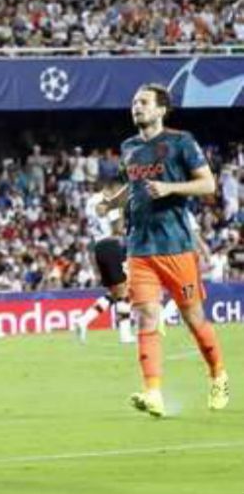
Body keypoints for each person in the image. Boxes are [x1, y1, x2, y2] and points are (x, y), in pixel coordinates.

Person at [100, 84, 228, 417]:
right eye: (133, 102)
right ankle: (153, 392)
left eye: (143, 102)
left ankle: (218, 375)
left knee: (193, 318)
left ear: (161, 110)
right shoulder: (129, 147)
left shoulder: (181, 142)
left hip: (176, 247)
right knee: (146, 316)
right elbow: (135, 185)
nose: (136, 107)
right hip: (139, 249)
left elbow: (208, 184)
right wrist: (113, 202)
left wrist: (170, 187)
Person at [74, 179, 135, 343]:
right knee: (124, 290)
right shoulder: (109, 202)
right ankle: (125, 334)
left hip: (99, 248)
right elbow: (117, 229)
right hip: (112, 245)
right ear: (110, 187)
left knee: (115, 292)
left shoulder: (89, 203)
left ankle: (83, 320)